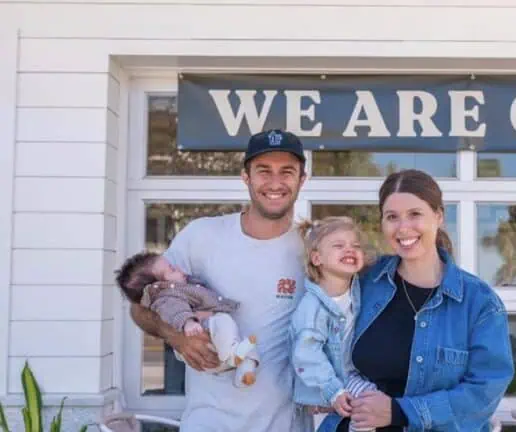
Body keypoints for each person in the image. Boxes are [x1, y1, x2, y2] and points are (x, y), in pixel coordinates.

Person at [128, 129, 313, 432]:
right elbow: (140, 307)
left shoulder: (310, 249)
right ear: (246, 177)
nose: (275, 183)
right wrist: (177, 337)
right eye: (263, 171)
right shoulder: (202, 236)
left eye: (287, 172)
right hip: (210, 422)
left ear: (301, 180)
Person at [319, 169, 515, 432]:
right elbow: (320, 332)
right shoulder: (363, 281)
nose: (403, 228)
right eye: (392, 217)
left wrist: (400, 412)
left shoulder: (479, 303)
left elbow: (484, 393)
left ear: (439, 216)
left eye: (415, 214)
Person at [115, 251, 261, 388]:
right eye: (172, 269)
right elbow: (175, 311)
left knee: (248, 350)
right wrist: (187, 324)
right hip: (208, 344)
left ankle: (243, 374)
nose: (179, 268)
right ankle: (232, 354)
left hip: (215, 353)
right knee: (222, 321)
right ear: (158, 286)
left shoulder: (180, 286)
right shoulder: (167, 297)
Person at [291, 216, 378, 432]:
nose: (349, 250)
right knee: (370, 405)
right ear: (317, 258)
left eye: (355, 246)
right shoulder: (312, 307)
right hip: (325, 393)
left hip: (350, 379)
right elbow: (306, 355)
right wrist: (334, 391)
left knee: (376, 404)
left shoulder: (357, 292)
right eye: (339, 246)